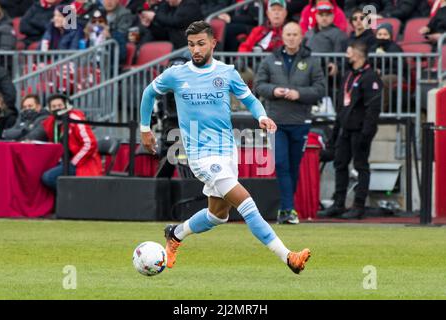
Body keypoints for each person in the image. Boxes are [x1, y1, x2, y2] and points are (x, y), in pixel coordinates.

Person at [140, 20, 311, 274]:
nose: (195, 50)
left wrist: (262, 116)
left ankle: (175, 234)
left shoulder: (227, 72)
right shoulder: (177, 74)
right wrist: (145, 128)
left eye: (200, 44)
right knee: (246, 203)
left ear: (213, 43)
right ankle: (288, 257)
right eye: (190, 45)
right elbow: (148, 93)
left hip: (226, 151)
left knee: (218, 215)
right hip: (201, 155)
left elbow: (250, 99)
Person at [254, 21, 325, 224]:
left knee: (293, 167)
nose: (291, 38)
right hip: (276, 121)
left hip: (300, 121)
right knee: (282, 164)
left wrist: (299, 93)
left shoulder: (312, 61)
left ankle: (286, 209)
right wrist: (274, 91)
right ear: (282, 37)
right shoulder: (270, 60)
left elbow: (320, 89)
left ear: (301, 37)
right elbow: (259, 85)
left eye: (295, 34)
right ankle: (288, 209)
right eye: (288, 34)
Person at [318, 40, 382, 220]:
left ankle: (358, 206)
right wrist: (336, 131)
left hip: (360, 130)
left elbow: (373, 109)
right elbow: (342, 106)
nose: (346, 56)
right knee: (340, 164)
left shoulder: (370, 78)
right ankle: (338, 204)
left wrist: (366, 133)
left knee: (361, 166)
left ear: (358, 54)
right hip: (345, 129)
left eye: (349, 53)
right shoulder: (348, 75)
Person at [41, 94, 102, 191]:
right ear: (49, 109)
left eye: (60, 105)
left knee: (48, 178)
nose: (57, 108)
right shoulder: (51, 122)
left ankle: (73, 196)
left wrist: (74, 162)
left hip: (81, 163)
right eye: (54, 106)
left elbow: (90, 143)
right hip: (62, 161)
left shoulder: (74, 118)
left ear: (66, 105)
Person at [138, 0, 203, 49]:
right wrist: (150, 26)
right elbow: (165, 34)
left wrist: (154, 17)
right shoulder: (171, 8)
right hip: (176, 48)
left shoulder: (190, 5)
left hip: (191, 48)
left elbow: (175, 21)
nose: (166, 0)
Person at [368, 23, 404, 112]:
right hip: (377, 74)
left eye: (385, 34)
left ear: (390, 36)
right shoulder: (373, 48)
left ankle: (381, 111)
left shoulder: (395, 48)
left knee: (382, 80)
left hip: (396, 75)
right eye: (379, 34)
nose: (382, 37)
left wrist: (382, 71)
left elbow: (399, 67)